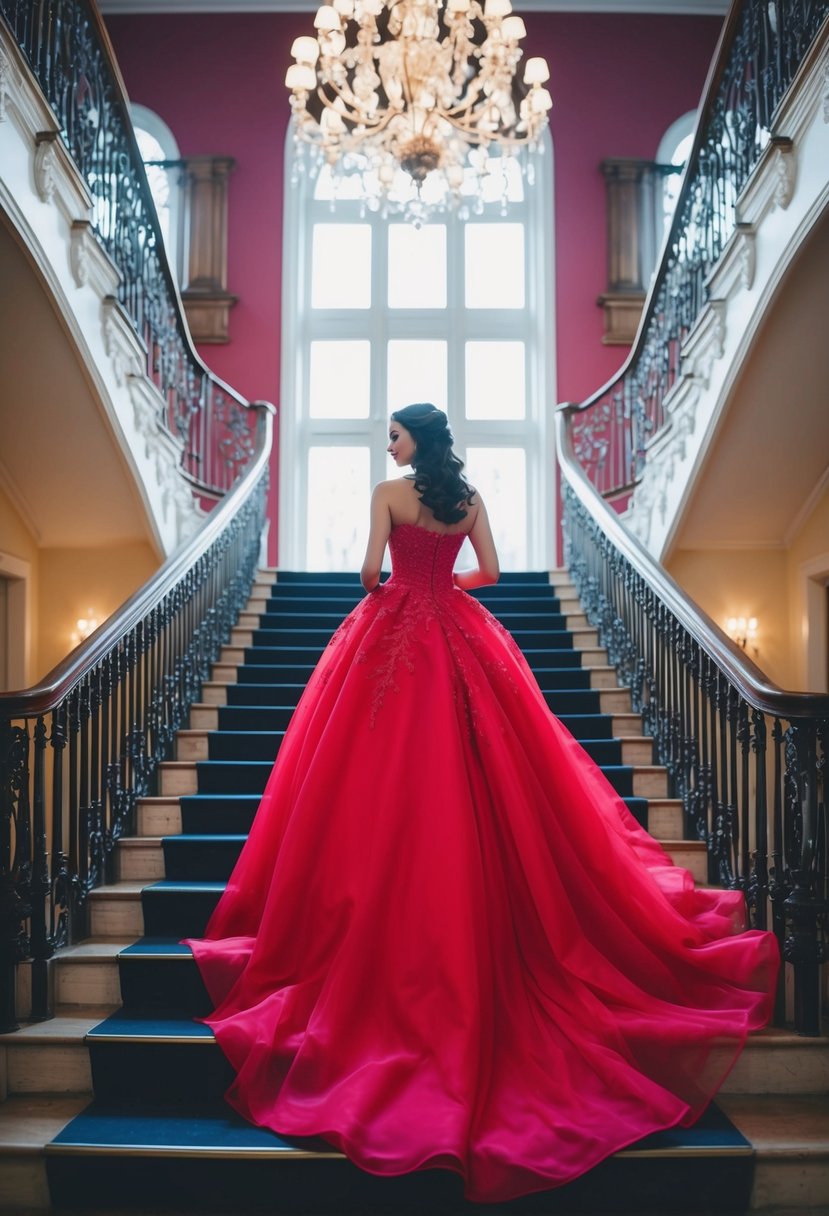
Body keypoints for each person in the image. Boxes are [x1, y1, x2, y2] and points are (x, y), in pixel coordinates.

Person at [186, 402, 778, 1204]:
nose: (385, 443)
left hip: (393, 634)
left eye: (393, 433)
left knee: (373, 777)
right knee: (490, 768)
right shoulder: (467, 502)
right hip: (457, 633)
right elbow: (492, 575)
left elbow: (368, 575)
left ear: (413, 441)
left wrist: (400, 584)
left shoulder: (389, 495)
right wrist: (445, 583)